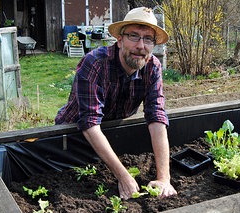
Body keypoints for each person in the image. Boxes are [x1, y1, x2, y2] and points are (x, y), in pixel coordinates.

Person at [55, 7, 177, 200]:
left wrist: (164, 179)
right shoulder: (94, 63)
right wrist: (124, 176)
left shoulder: (152, 67)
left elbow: (156, 117)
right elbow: (90, 124)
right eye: (134, 36)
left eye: (148, 39)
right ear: (119, 40)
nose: (141, 46)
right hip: (72, 136)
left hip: (110, 134)